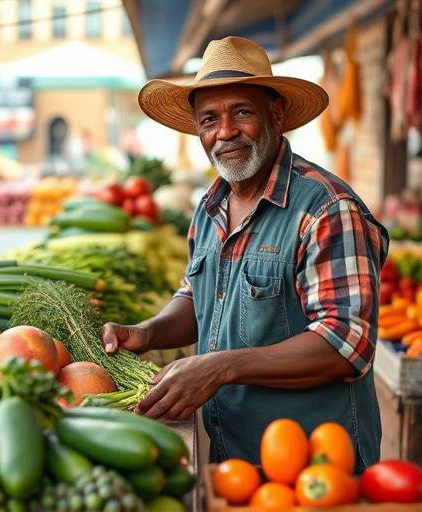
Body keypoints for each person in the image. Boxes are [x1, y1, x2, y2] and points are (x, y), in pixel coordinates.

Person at [102, 37, 389, 470]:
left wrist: (220, 367)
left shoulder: (327, 209)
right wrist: (149, 332)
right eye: (209, 120)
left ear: (275, 114)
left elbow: (347, 342)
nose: (225, 132)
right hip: (235, 460)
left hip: (318, 466)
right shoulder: (210, 206)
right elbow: (199, 296)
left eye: (241, 112)